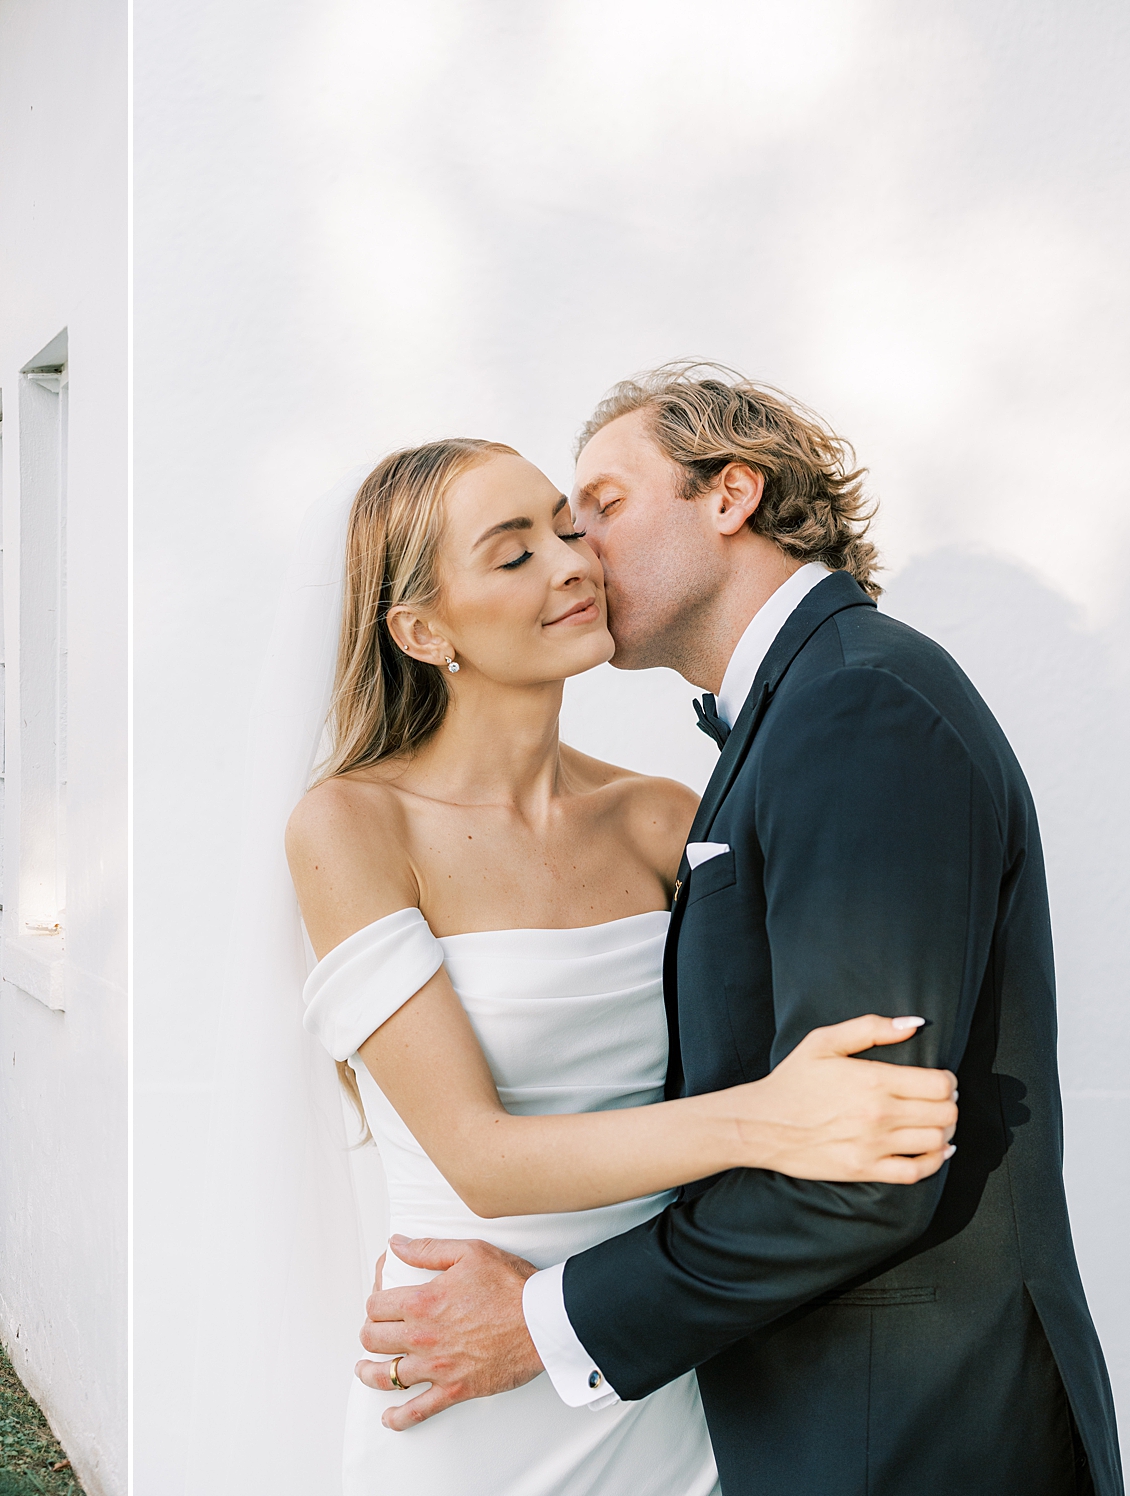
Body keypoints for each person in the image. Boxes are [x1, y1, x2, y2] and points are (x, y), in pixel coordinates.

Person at [350, 368, 1121, 1496]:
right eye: (544, 535)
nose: (576, 555)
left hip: (909, 1423)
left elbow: (862, 1155)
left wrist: (542, 1320)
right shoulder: (794, 716)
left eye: (598, 509)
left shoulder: (856, 705)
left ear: (729, 494)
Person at [287, 434, 962, 1493]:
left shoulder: (659, 817)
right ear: (421, 629)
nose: (569, 563)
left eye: (565, 527)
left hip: (656, 1365)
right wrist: (770, 1117)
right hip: (461, 1366)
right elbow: (480, 1156)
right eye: (510, 555)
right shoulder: (351, 825)